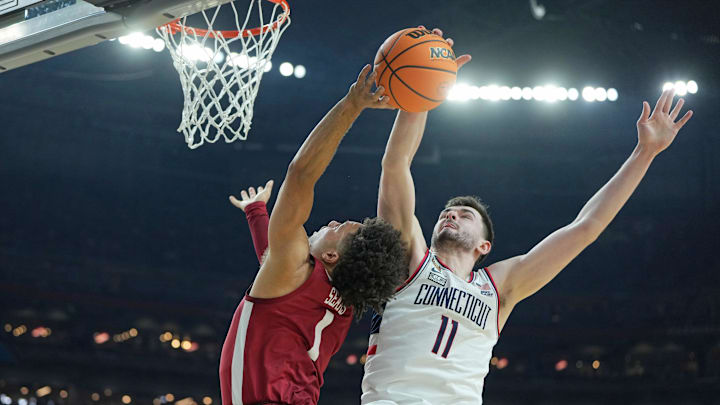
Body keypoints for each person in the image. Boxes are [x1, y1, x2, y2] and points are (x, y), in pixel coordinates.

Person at [361, 29, 694, 403]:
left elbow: (586, 228)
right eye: (446, 212)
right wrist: (423, 88)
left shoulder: (498, 289)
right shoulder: (411, 259)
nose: (451, 214)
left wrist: (644, 154)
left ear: (485, 245)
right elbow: (396, 165)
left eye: (465, 215)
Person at [219, 65, 409, 405]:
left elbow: (300, 174)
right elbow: (274, 261)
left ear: (332, 256)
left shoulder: (295, 270)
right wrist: (257, 213)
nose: (332, 222)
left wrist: (352, 104)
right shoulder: (343, 304)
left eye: (338, 229)